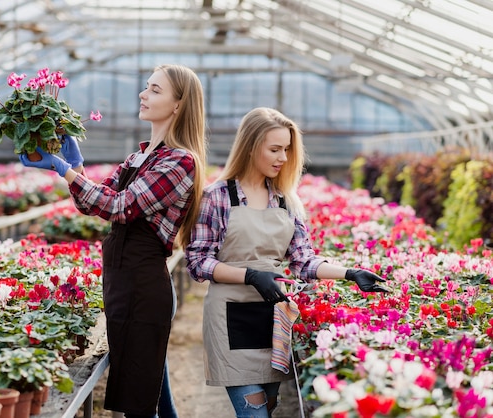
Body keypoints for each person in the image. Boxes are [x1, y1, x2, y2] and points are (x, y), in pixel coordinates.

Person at [19, 64, 207, 418]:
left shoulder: (180, 161)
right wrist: (77, 166)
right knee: (148, 394)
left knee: (138, 401)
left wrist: (65, 169)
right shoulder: (140, 156)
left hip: (143, 286)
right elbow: (93, 201)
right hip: (122, 283)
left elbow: (122, 206)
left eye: (155, 90)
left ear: (179, 105)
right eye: (146, 87)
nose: (143, 94)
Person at [184, 107, 388, 418]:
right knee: (254, 414)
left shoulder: (286, 200)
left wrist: (349, 273)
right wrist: (250, 276)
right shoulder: (217, 197)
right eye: (275, 149)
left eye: (287, 149)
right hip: (229, 318)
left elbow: (304, 261)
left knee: (269, 406)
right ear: (251, 146)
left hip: (273, 319)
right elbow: (198, 262)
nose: (283, 157)